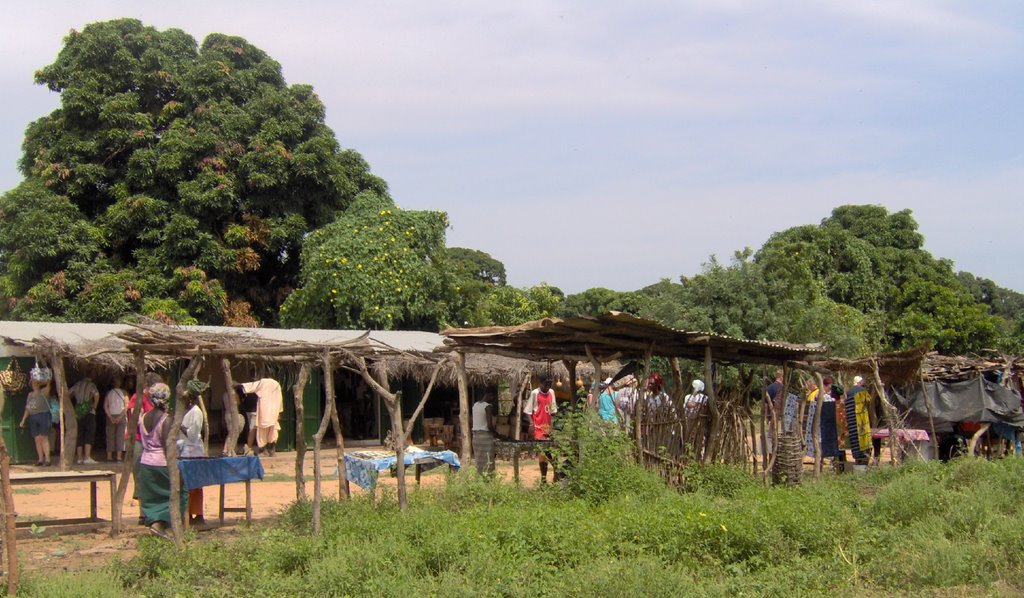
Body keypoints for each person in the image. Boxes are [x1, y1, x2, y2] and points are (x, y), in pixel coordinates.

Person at [137, 382, 186, 538]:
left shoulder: (144, 417)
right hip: (162, 464)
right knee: (181, 493)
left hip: (145, 464)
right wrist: (176, 470)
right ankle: (165, 526)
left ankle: (156, 525)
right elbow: (168, 447)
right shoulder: (166, 419)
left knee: (152, 499)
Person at [178, 379, 208, 525]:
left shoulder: (196, 413)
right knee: (187, 486)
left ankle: (198, 514)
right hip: (186, 452)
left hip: (194, 453)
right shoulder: (188, 411)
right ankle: (188, 513)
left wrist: (179, 426)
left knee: (194, 486)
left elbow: (192, 434)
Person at [523, 372, 557, 482]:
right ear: (540, 383)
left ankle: (551, 474)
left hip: (548, 428)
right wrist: (531, 424)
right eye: (546, 384)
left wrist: (552, 426)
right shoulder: (535, 393)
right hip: (538, 427)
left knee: (548, 451)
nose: (547, 386)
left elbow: (553, 411)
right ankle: (547, 476)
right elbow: (527, 412)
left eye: (549, 384)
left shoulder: (551, 392)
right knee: (543, 451)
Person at [237, 378, 284, 456]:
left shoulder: (262, 383)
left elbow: (250, 386)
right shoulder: (277, 385)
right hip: (273, 412)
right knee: (273, 432)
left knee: (262, 432)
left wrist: (239, 385)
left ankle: (263, 450)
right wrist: (279, 411)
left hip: (264, 411)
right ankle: (271, 450)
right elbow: (280, 400)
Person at [20, 366, 53, 467]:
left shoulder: (43, 392)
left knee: (44, 437)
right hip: (33, 417)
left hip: (43, 415)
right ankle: (40, 459)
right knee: (37, 438)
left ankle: (47, 459)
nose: (34, 384)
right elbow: (28, 409)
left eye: (35, 382)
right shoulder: (30, 395)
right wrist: (23, 420)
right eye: (32, 382)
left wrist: (44, 379)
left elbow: (48, 384)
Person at [844, 376, 873, 468]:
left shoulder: (849, 392)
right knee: (863, 441)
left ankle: (857, 460)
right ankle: (864, 461)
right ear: (860, 382)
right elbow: (869, 401)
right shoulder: (862, 391)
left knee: (855, 439)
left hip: (851, 420)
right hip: (861, 420)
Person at [69, 376, 100, 464]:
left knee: (80, 434)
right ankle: (87, 457)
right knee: (89, 433)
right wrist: (94, 406)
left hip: (78, 412)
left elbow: (68, 394)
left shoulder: (77, 385)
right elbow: (96, 395)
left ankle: (79, 458)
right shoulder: (92, 385)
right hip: (89, 412)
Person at [471, 391, 496, 476]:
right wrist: (497, 434)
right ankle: (488, 479)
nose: (493, 400)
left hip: (476, 437)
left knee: (479, 460)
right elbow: (489, 426)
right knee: (488, 460)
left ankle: (480, 478)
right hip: (485, 437)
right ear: (490, 395)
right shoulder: (487, 407)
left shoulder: (475, 405)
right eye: (493, 397)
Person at [104, 376, 129, 462]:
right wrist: (120, 416)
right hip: (121, 416)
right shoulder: (124, 392)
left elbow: (105, 406)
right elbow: (126, 406)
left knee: (110, 436)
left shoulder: (109, 393)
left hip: (111, 415)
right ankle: (119, 456)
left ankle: (109, 456)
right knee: (120, 436)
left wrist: (110, 416)